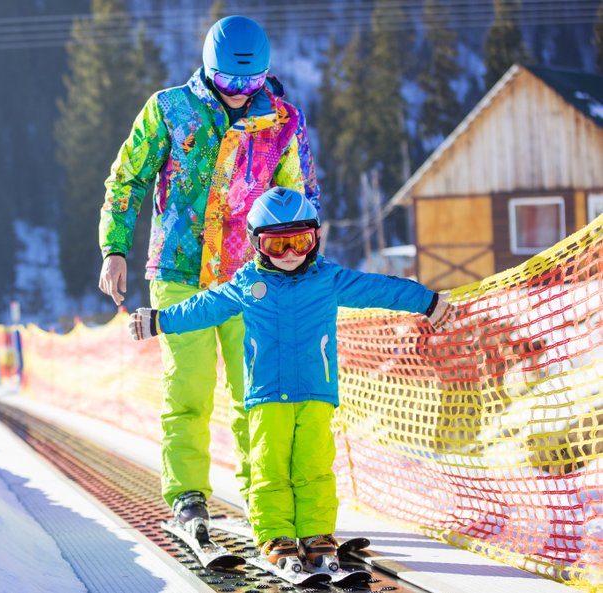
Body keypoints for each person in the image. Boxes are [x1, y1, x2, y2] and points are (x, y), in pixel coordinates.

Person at [127, 187, 455, 575]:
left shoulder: (328, 279)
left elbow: (379, 288)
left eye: (300, 241)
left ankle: (316, 534)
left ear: (315, 238)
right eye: (276, 245)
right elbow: (204, 307)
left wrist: (427, 302)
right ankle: (275, 534)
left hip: (317, 392)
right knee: (270, 469)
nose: (290, 255)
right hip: (266, 396)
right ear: (256, 244)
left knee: (314, 465)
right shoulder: (247, 284)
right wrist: (160, 320)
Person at [98, 15, 321, 539]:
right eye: (229, 82)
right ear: (208, 68)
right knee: (189, 392)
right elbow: (126, 180)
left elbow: (301, 196)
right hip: (181, 272)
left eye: (251, 82)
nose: (240, 93)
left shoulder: (283, 121)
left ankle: (263, 495)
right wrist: (114, 249)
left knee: (259, 394)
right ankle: (189, 496)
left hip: (254, 277)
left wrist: (304, 262)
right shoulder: (170, 109)